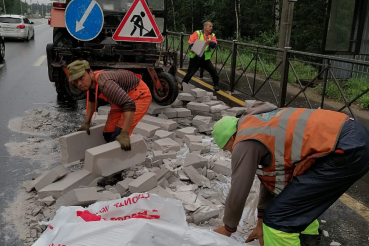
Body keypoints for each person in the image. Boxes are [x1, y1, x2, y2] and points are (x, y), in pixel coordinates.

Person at [211, 101, 369, 246]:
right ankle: (308, 240)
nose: (230, 153)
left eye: (227, 148)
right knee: (293, 199)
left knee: (277, 220)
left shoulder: (244, 141)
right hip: (354, 135)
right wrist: (260, 221)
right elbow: (270, 180)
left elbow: (238, 189)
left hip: (344, 150)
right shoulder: (258, 124)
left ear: (231, 137)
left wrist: (228, 228)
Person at [67, 60, 152, 151]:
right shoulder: (91, 84)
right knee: (107, 134)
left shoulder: (105, 83)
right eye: (75, 81)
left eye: (81, 78)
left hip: (139, 95)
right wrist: (86, 123)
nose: (79, 83)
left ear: (90, 73)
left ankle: (123, 159)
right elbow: (92, 101)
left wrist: (125, 133)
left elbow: (129, 104)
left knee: (117, 136)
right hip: (121, 98)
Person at [181, 21, 219, 91]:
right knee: (190, 73)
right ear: (205, 27)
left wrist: (209, 42)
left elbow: (214, 44)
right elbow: (191, 42)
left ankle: (216, 85)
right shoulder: (197, 33)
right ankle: (183, 86)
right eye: (210, 26)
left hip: (205, 58)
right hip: (196, 57)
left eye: (212, 26)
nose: (211, 28)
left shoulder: (212, 35)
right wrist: (192, 47)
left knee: (213, 72)